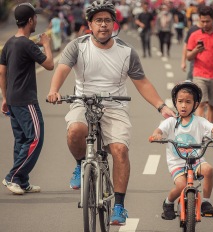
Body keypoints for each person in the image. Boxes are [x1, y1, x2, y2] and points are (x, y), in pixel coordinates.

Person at [46, 0, 175, 226]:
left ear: (114, 24)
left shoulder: (126, 51)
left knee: (120, 150)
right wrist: (54, 91)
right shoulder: (77, 46)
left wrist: (161, 106)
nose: (103, 25)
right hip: (83, 101)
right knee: (75, 130)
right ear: (90, 24)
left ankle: (119, 206)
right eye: (98, 21)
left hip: (115, 105)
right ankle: (79, 165)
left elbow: (141, 82)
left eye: (107, 20)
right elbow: (62, 69)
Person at [151, 80, 213, 220]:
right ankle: (168, 203)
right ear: (175, 102)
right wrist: (157, 134)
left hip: (196, 160)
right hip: (177, 163)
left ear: (195, 105)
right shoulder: (172, 121)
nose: (183, 105)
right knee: (181, 184)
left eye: (188, 102)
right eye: (180, 101)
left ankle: (206, 202)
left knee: (208, 170)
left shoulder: (199, 121)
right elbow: (160, 129)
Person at [0, 3, 54, 195]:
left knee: (22, 140)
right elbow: (49, 65)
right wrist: (47, 45)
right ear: (31, 20)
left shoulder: (10, 43)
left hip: (13, 99)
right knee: (35, 139)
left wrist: (4, 97)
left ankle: (22, 182)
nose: (36, 21)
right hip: (26, 101)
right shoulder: (27, 44)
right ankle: (12, 177)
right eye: (35, 18)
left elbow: (2, 71)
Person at [186, 5, 213, 123]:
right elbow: (189, 57)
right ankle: (201, 131)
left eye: (207, 21)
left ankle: (209, 130)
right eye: (202, 21)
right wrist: (196, 50)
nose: (205, 24)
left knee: (212, 105)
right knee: (201, 103)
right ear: (199, 20)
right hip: (199, 75)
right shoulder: (194, 35)